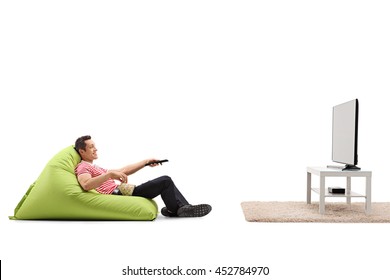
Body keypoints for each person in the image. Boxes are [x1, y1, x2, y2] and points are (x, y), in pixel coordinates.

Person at [74, 135, 211, 218]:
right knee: (165, 180)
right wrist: (109, 174)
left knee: (165, 182)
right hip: (120, 194)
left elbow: (124, 170)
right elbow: (86, 184)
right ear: (81, 151)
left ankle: (173, 210)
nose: (96, 149)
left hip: (126, 190)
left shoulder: (96, 167)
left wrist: (145, 162)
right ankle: (182, 208)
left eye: (95, 146)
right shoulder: (83, 167)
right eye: (91, 147)